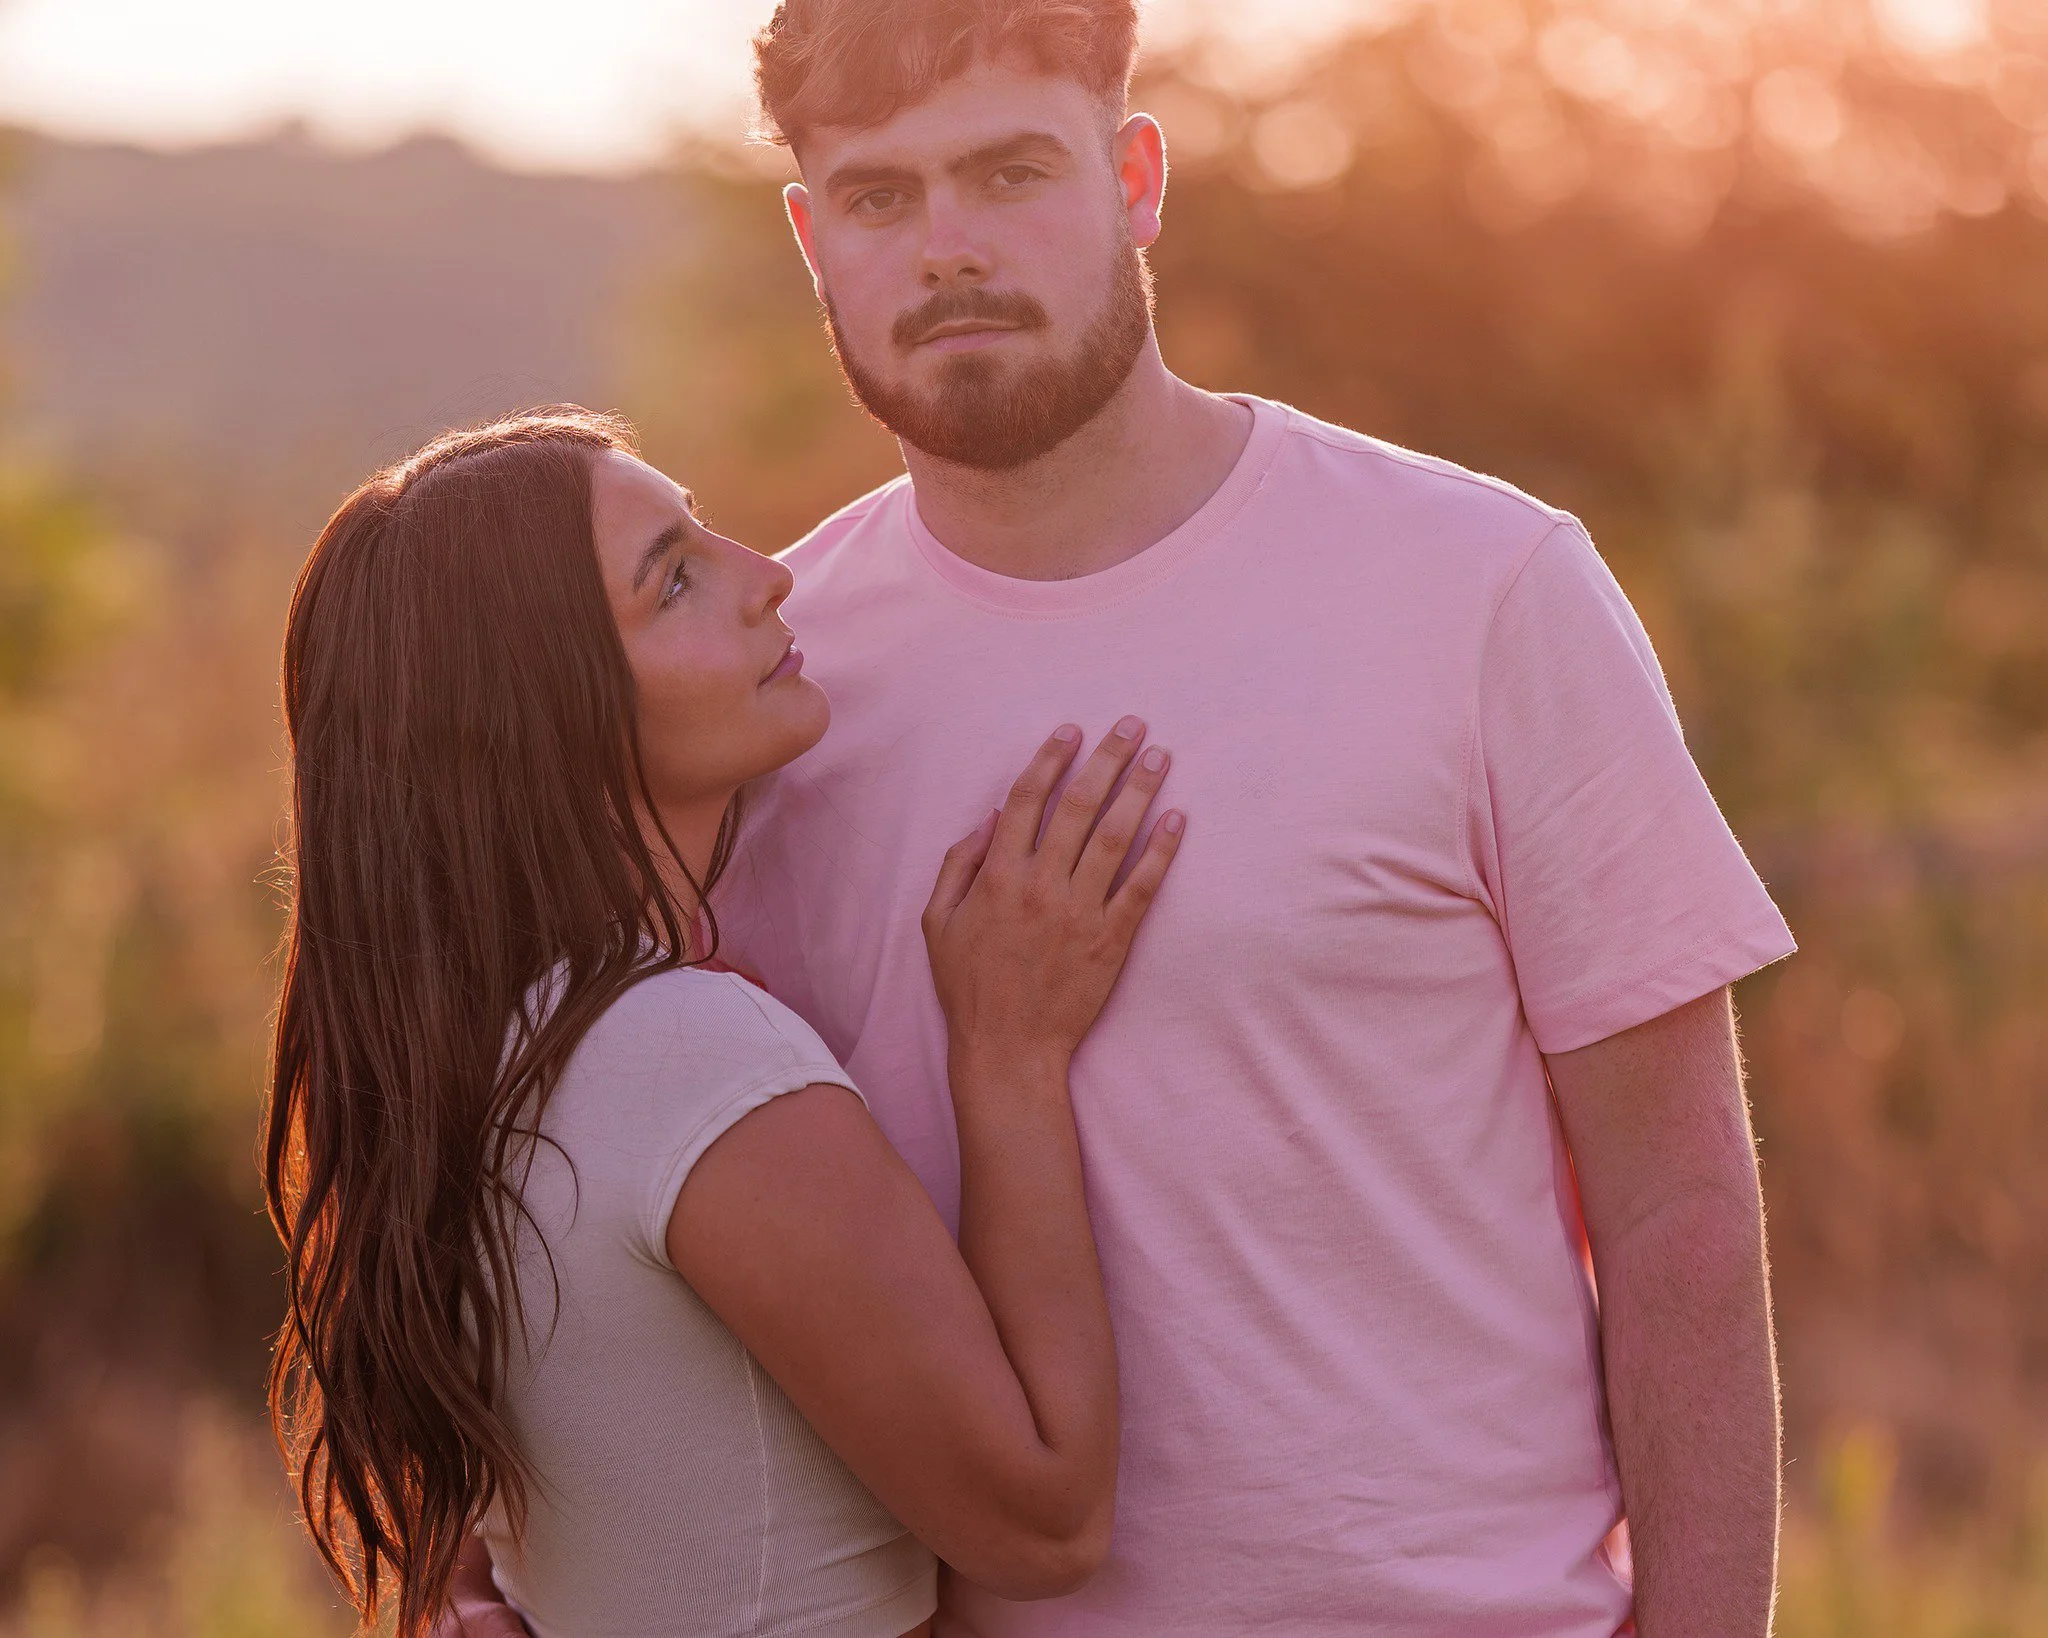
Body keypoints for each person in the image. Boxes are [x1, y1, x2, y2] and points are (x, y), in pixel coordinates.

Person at [449, 0, 1797, 1633]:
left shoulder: (1483, 589)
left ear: (1135, 174)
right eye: (878, 197)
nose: (946, 248)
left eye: (1008, 171)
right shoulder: (766, 687)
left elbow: (1676, 1214)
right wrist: (522, 1548)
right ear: (810, 236)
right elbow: (627, 1175)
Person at [262, 407, 1189, 1638]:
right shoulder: (683, 1061)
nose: (768, 577)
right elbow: (1043, 1520)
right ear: (547, 713)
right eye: (675, 583)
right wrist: (1009, 1053)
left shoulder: (464, 1062)